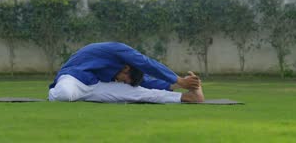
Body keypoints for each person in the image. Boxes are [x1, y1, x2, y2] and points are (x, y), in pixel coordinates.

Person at [48, 42, 204, 103]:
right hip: (74, 79)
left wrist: (175, 85)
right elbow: (146, 63)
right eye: (124, 79)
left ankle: (189, 97)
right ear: (126, 69)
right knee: (64, 95)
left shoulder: (126, 73)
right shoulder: (117, 50)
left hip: (96, 87)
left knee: (141, 94)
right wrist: (178, 80)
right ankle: (53, 93)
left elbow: (145, 83)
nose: (122, 82)